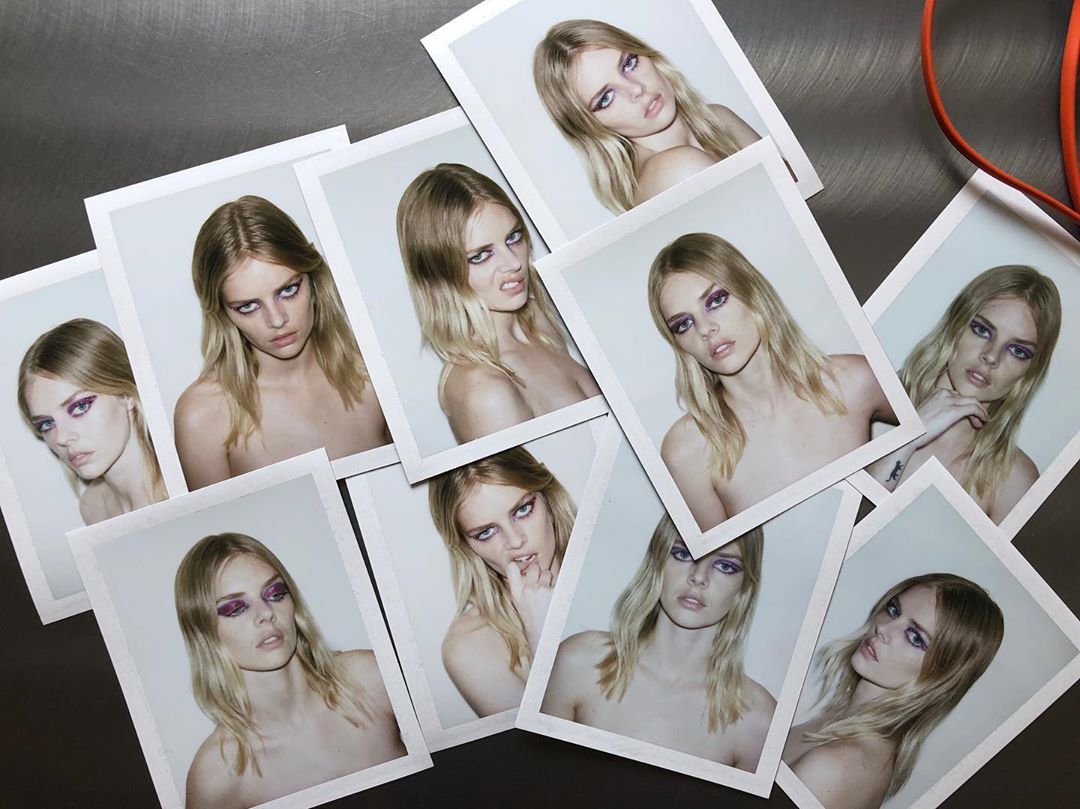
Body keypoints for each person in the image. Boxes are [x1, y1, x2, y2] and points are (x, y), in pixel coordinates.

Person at [648, 232, 894, 531]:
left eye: (716, 301)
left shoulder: (855, 380)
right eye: (683, 324)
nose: (705, 329)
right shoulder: (687, 450)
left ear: (752, 291)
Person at [175, 532, 405, 809]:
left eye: (275, 594)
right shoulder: (216, 776)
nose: (266, 613)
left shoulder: (373, 679)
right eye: (235, 608)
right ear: (203, 632)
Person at [174, 195, 389, 490]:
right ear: (222, 313)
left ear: (313, 278)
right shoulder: (203, 416)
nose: (276, 320)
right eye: (247, 306)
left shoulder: (376, 371)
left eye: (288, 290)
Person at [541, 515, 773, 769]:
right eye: (683, 554)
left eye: (725, 566)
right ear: (658, 558)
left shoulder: (759, 720)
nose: (698, 577)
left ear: (744, 587)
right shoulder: (578, 663)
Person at [396, 163, 600, 443]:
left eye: (513, 237)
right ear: (440, 274)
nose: (514, 263)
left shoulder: (538, 320)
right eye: (480, 256)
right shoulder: (485, 391)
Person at [783, 573, 1004, 809]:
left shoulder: (833, 766)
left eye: (915, 638)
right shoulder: (848, 739)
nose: (883, 628)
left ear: (942, 677)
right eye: (893, 610)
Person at [866, 265, 1061, 523]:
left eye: (1018, 351)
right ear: (955, 325)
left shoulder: (1013, 479)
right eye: (982, 330)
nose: (991, 356)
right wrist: (907, 439)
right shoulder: (872, 403)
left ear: (1030, 371)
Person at [533, 19, 765, 213]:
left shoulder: (718, 118)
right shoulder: (677, 170)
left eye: (629, 63)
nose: (636, 89)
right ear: (589, 126)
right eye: (606, 98)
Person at [428, 447, 577, 716]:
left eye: (523, 510)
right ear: (466, 545)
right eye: (486, 532)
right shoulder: (470, 646)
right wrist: (541, 636)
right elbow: (556, 741)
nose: (516, 541)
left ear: (547, 496)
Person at [17, 318, 166, 524]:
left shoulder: (183, 485)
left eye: (80, 407)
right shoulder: (93, 507)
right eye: (47, 424)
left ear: (126, 395)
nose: (61, 438)